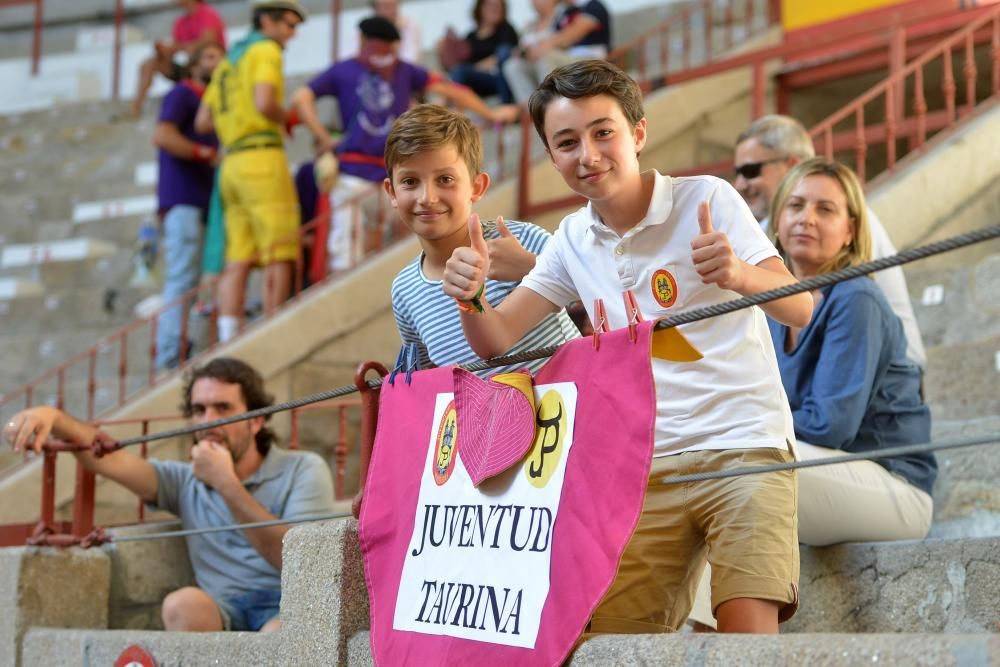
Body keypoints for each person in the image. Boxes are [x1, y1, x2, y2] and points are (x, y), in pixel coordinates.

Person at [442, 60, 814, 633]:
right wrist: (470, 296)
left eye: (603, 132)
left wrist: (740, 274)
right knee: (610, 640)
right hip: (642, 468)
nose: (587, 154)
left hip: (744, 447)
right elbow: (495, 338)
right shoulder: (571, 237)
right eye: (566, 142)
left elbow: (799, 305)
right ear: (551, 156)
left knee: (747, 636)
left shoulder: (706, 198)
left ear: (637, 134)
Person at [686, 157, 939, 631]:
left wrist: (742, 418)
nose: (807, 218)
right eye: (797, 205)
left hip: (893, 485)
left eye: (826, 209)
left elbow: (831, 425)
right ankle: (707, 642)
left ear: (850, 230)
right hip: (819, 472)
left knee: (741, 468)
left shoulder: (856, 296)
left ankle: (733, 648)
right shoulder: (768, 307)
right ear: (776, 222)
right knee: (705, 473)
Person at [3, 357, 336, 633]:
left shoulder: (303, 469)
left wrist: (226, 484)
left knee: (274, 634)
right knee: (181, 605)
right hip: (223, 609)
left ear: (256, 420)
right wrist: (54, 417)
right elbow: (109, 459)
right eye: (199, 410)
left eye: (223, 408)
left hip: (287, 605)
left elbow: (301, 561)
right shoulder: (184, 480)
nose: (209, 422)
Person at [290, 16, 519, 273]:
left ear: (362, 39)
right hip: (394, 179)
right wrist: (492, 115)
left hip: (353, 175)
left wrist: (324, 139)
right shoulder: (404, 69)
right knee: (396, 246)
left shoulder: (343, 69)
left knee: (346, 253)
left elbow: (301, 97)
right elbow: (454, 90)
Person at [384, 103, 580, 374]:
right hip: (486, 416)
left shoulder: (521, 240)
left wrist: (531, 265)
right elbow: (429, 379)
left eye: (445, 179)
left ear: (477, 187)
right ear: (391, 191)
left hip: (572, 407)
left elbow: (599, 294)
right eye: (409, 182)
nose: (427, 197)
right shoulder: (404, 291)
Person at [733, 114, 926, 369]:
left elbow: (852, 322)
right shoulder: (766, 227)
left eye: (750, 171)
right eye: (795, 206)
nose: (739, 184)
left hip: (884, 379)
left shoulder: (852, 224)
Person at [196, 0, 306, 344]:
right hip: (261, 156)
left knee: (238, 256)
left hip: (231, 165)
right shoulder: (265, 51)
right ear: (267, 22)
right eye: (288, 24)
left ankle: (229, 335)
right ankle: (271, 333)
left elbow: (202, 122)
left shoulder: (229, 61)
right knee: (279, 250)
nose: (292, 33)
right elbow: (264, 102)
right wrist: (286, 117)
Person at [153, 41, 224, 370]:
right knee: (181, 277)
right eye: (209, 55)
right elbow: (163, 136)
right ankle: (169, 353)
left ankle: (177, 347)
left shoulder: (211, 99)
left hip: (201, 199)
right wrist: (205, 154)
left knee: (192, 279)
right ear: (194, 63)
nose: (216, 62)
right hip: (182, 197)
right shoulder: (183, 93)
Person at [502, 0, 611, 104]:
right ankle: (530, 109)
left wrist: (541, 49)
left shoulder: (593, 6)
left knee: (546, 56)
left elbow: (571, 35)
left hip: (590, 60)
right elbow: (552, 36)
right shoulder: (566, 12)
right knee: (513, 65)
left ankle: (549, 106)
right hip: (565, 57)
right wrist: (529, 51)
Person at [132, 0, 227, 116]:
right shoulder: (181, 21)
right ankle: (136, 107)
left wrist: (180, 47)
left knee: (203, 60)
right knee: (150, 62)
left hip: (211, 70)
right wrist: (162, 50)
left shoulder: (207, 13)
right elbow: (174, 50)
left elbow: (207, 43)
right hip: (192, 69)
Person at [440, 0, 519, 102]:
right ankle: (451, 110)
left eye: (499, 6)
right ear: (480, 8)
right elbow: (462, 65)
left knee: (504, 51)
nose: (496, 9)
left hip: (499, 78)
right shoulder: (471, 36)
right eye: (491, 5)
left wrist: (476, 68)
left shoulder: (506, 29)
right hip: (479, 80)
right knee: (457, 72)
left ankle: (506, 104)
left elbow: (505, 55)